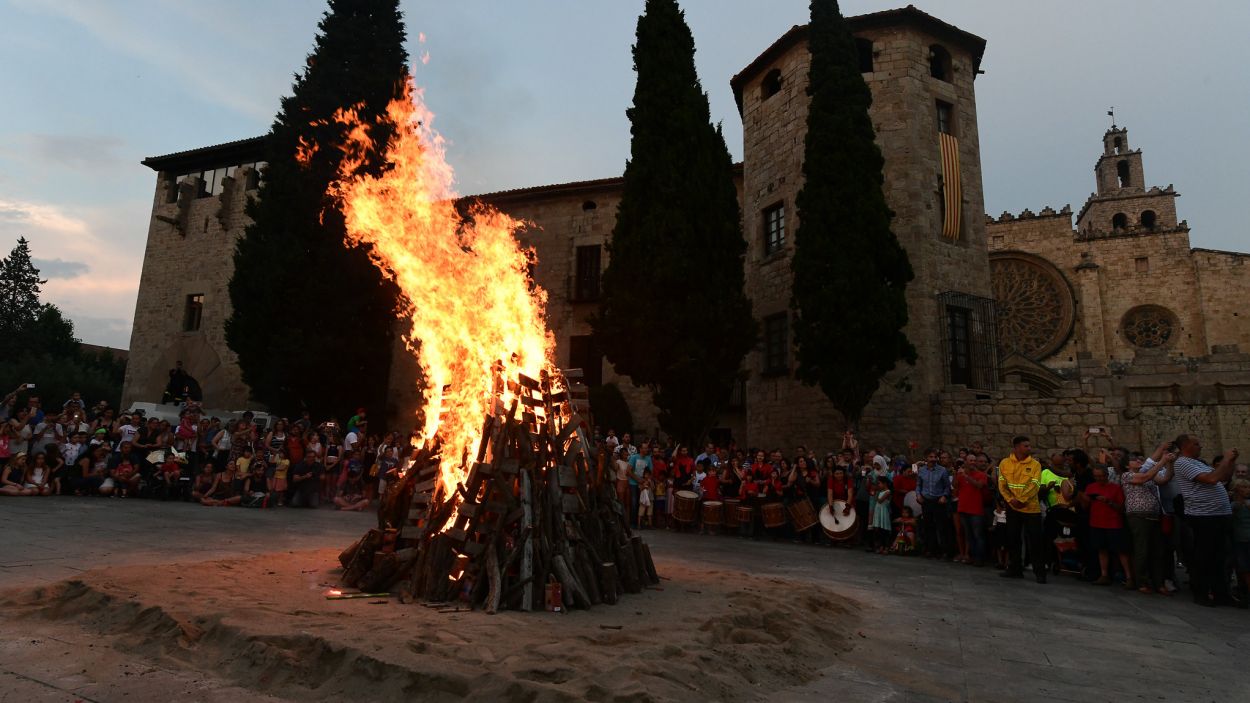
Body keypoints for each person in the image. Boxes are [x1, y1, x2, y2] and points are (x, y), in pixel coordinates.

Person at [1171, 435, 1237, 606]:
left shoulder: (1199, 463)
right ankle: (1201, 593)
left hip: (1219, 515)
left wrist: (1231, 462)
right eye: (1196, 444)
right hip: (1204, 516)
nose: (1200, 446)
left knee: (1220, 557)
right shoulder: (1182, 463)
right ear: (1186, 446)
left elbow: (1223, 478)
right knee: (1205, 557)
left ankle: (1221, 593)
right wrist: (1225, 459)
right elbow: (1211, 479)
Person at [1123, 442, 1174, 594]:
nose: (1138, 461)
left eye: (1139, 459)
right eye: (1134, 460)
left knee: (1157, 551)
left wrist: (1169, 464)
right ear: (1126, 465)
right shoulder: (1127, 475)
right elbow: (1144, 477)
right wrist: (1162, 460)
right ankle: (1142, 581)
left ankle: (1159, 583)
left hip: (1154, 516)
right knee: (1142, 550)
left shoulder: (1150, 474)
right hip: (1138, 516)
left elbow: (1164, 479)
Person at [998, 435, 1046, 583]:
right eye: (1026, 446)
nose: (1029, 448)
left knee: (1035, 541)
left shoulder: (1035, 465)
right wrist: (1010, 499)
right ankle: (1015, 569)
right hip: (1012, 507)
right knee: (1013, 539)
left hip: (1031, 509)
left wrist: (1021, 500)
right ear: (1017, 447)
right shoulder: (1005, 463)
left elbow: (1035, 485)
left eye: (1029, 446)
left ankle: (1040, 573)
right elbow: (1002, 484)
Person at [1082, 465, 1133, 588]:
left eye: (1101, 476)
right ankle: (1104, 575)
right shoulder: (1091, 487)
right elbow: (1085, 506)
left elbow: (1121, 508)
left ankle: (1129, 577)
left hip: (1113, 524)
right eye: (1096, 476)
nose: (1099, 479)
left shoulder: (1115, 488)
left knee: (1121, 551)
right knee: (1101, 549)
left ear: (1107, 475)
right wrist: (1084, 499)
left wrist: (1108, 502)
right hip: (1096, 523)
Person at [915, 450, 951, 559]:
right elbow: (918, 485)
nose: (933, 459)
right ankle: (930, 549)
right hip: (926, 501)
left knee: (941, 527)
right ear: (926, 458)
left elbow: (947, 486)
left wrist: (944, 496)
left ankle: (944, 551)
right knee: (928, 526)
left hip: (938, 501)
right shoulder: (921, 470)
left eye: (935, 457)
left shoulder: (942, 470)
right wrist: (918, 495)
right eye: (931, 457)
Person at [955, 453, 989, 566]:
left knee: (978, 535)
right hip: (963, 508)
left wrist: (966, 476)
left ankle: (980, 558)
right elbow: (955, 486)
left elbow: (979, 485)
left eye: (974, 460)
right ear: (966, 462)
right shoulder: (961, 474)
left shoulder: (981, 475)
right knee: (969, 535)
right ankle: (973, 557)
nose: (973, 463)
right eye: (970, 460)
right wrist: (956, 474)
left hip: (976, 510)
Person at [1231, 478, 1250, 609]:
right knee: (1243, 568)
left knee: (1245, 568)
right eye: (1244, 487)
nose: (1247, 490)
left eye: (1248, 487)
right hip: (1240, 540)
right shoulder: (1234, 505)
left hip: (1244, 539)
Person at [870, 476, 894, 554]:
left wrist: (875, 492)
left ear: (885, 483)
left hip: (884, 512)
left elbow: (880, 501)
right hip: (878, 511)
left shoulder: (888, 492)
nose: (878, 485)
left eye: (879, 483)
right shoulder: (880, 492)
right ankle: (880, 546)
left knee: (884, 530)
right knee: (878, 529)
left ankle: (886, 547)